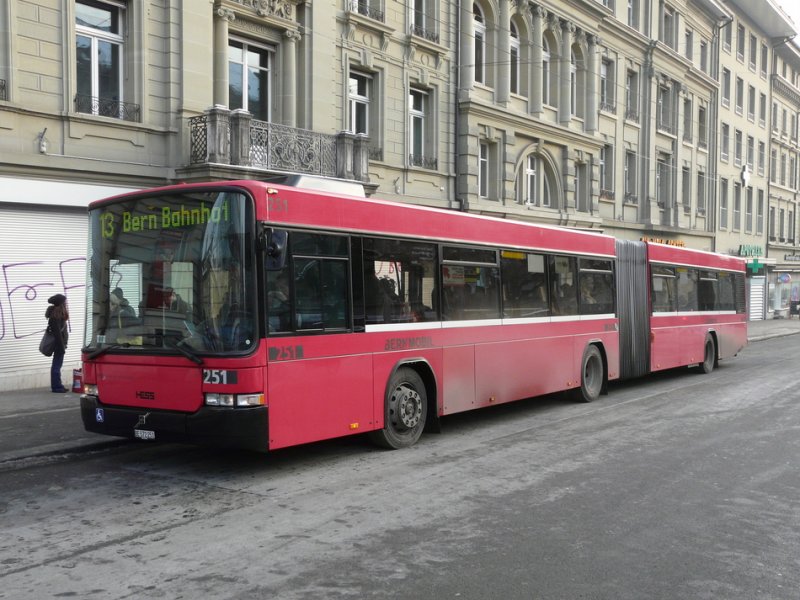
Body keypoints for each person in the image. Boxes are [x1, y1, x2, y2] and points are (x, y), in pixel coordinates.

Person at [45, 294, 69, 393]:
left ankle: (58, 385)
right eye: (64, 302)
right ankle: (56, 387)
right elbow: (58, 334)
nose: (66, 303)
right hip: (59, 345)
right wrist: (61, 347)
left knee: (57, 365)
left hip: (60, 344)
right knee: (56, 365)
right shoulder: (56, 317)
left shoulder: (57, 315)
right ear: (61, 303)